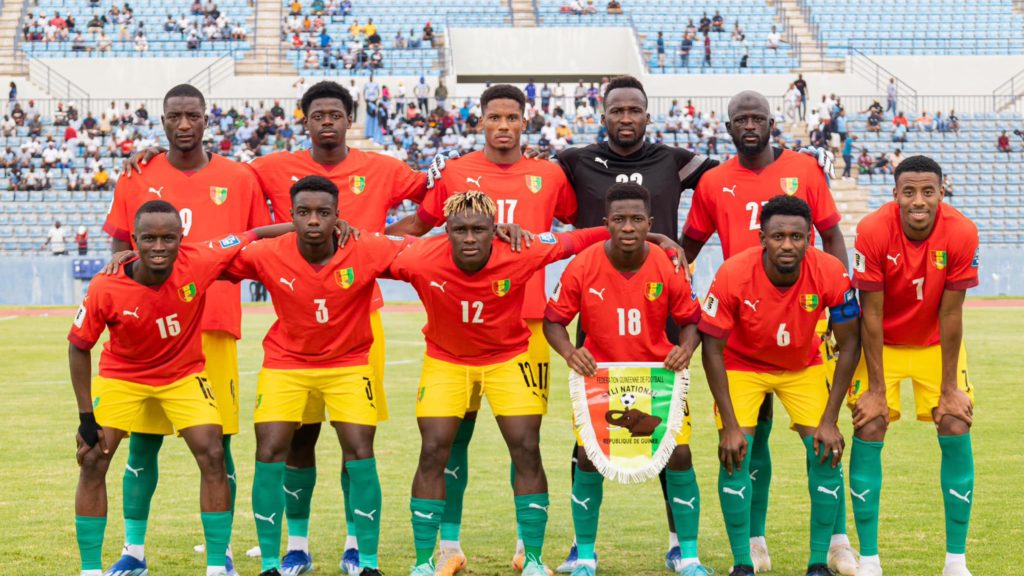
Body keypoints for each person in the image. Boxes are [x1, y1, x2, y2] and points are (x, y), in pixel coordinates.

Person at [387, 84, 579, 576]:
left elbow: (577, 226)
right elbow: (423, 223)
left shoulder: (548, 174)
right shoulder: (456, 172)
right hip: (462, 329)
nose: (503, 126)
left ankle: (525, 547)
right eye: (495, 117)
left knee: (525, 438)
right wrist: (362, 242)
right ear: (480, 121)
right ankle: (448, 548)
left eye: (512, 118)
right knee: (451, 440)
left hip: (527, 327)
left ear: (525, 121)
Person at [388, 191, 611, 576]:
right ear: (445, 230)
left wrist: (655, 237)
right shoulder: (417, 256)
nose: (469, 238)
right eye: (460, 230)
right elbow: (359, 244)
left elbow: (577, 239)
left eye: (478, 229)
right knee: (433, 450)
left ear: (495, 230)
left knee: (526, 448)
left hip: (508, 359)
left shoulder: (521, 249)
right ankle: (423, 562)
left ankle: (533, 558)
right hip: (446, 361)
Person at [682, 90, 855, 575]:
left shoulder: (805, 169)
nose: (750, 125)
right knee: (747, 442)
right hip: (741, 326)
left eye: (758, 117)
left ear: (772, 122)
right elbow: (687, 247)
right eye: (741, 119)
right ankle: (753, 544)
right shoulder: (714, 182)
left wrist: (834, 294)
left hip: (801, 320)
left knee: (824, 440)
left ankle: (836, 543)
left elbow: (830, 234)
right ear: (728, 126)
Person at [101, 84, 270, 576]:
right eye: (174, 116)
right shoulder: (138, 173)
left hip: (214, 323)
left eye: (192, 115)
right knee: (142, 442)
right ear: (162, 121)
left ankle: (223, 553)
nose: (183, 125)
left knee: (219, 443)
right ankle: (134, 551)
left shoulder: (239, 177)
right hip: (147, 330)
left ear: (206, 118)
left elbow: (259, 245)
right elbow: (118, 246)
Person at [69, 200, 281, 576]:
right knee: (94, 458)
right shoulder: (106, 284)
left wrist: (327, 227)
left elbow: (256, 234)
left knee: (213, 453)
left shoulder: (200, 259)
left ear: (182, 238)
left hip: (183, 375)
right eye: (148, 238)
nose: (158, 246)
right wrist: (87, 417)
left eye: (168, 238)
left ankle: (217, 566)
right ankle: (90, 569)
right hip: (123, 376)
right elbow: (78, 346)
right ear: (133, 241)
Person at [221, 176, 391, 576]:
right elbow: (202, 259)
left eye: (323, 213)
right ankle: (277, 560)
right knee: (270, 451)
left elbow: (429, 253)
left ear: (338, 216)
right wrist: (256, 232)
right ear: (291, 216)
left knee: (359, 452)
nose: (313, 220)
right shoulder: (268, 252)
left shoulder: (365, 248)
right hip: (287, 364)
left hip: (349, 364)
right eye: (303, 213)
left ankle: (365, 560)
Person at [544, 183, 708, 576]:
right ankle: (585, 555)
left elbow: (692, 321)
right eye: (619, 219)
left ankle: (687, 555)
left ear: (650, 223)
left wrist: (686, 348)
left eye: (637, 219)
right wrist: (570, 352)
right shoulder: (583, 264)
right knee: (587, 458)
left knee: (679, 454)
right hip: (601, 377)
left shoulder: (667, 264)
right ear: (607, 223)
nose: (628, 227)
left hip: (657, 377)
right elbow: (553, 321)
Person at [700, 194, 860, 576]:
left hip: (802, 366)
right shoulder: (733, 273)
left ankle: (819, 562)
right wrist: (730, 426)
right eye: (778, 236)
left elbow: (851, 343)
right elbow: (712, 348)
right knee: (736, 452)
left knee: (825, 449)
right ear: (762, 238)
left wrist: (830, 420)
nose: (787, 245)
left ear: (809, 239)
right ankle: (743, 561)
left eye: (797, 237)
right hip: (742, 366)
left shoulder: (830, 271)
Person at [847, 156, 979, 576]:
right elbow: (870, 314)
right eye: (909, 192)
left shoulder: (962, 231)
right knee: (869, 424)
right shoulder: (872, 230)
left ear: (942, 192)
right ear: (895, 195)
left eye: (927, 191)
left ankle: (956, 562)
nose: (918, 201)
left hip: (935, 344)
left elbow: (951, 314)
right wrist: (876, 391)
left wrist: (949, 389)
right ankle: (869, 560)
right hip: (881, 344)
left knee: (955, 422)